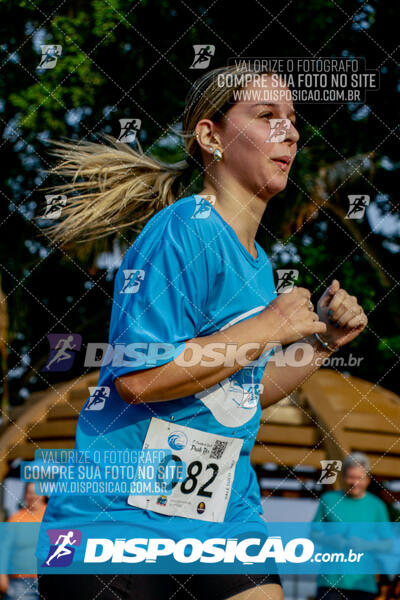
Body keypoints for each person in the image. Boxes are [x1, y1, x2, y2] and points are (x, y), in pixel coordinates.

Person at [36, 64, 368, 600]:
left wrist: (323, 342)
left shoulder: (259, 265)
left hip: (219, 521)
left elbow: (239, 393)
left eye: (293, 121)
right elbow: (139, 379)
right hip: (117, 527)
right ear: (211, 136)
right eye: (266, 116)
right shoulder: (182, 229)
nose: (290, 132)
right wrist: (268, 327)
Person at [313, 452, 392, 600]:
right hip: (330, 583)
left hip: (364, 584)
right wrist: (332, 540)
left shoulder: (377, 505)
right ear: (342, 477)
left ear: (368, 479)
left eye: (360, 478)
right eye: (351, 477)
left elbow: (388, 544)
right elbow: (313, 533)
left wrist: (366, 545)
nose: (355, 482)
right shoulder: (328, 499)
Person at [0, 482, 47, 600]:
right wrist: (2, 576)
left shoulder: (53, 517)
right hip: (21, 584)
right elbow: (4, 550)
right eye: (29, 492)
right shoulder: (15, 519)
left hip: (49, 581)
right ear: (25, 495)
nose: (33, 496)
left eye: (36, 492)